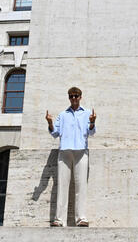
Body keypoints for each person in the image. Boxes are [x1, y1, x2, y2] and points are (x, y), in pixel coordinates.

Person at [45, 86, 96, 227]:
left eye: (76, 96)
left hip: (81, 151)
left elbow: (91, 133)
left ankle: (81, 218)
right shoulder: (63, 115)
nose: (73, 98)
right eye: (71, 96)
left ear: (80, 97)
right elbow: (55, 133)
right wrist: (49, 123)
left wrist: (92, 122)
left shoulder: (87, 113)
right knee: (62, 185)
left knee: (81, 186)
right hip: (65, 151)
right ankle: (59, 219)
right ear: (69, 97)